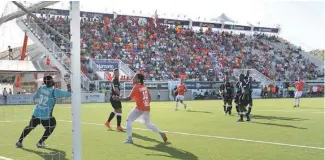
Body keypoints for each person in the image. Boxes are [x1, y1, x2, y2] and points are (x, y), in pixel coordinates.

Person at [16, 75, 71, 148]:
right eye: (52, 80)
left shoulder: (41, 88)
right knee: (52, 125)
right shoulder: (54, 91)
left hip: (36, 113)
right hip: (45, 115)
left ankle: (19, 141)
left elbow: (34, 97)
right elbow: (70, 93)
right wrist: (68, 83)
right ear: (51, 82)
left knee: (30, 127)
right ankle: (40, 142)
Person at [113, 73, 167, 144]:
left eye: (134, 77)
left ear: (138, 79)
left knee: (128, 120)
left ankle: (129, 139)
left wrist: (118, 98)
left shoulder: (136, 87)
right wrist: (145, 105)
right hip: (147, 108)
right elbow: (149, 98)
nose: (133, 79)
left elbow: (128, 98)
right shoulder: (144, 86)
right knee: (147, 123)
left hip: (140, 108)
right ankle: (161, 133)